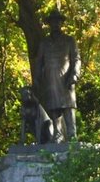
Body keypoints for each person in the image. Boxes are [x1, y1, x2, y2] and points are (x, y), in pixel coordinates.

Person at [33, 9, 81, 142]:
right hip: (50, 80)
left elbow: (76, 59)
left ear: (61, 23)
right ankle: (58, 135)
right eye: (53, 22)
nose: (55, 24)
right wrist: (36, 79)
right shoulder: (44, 43)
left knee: (68, 107)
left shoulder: (69, 40)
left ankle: (72, 135)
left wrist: (75, 75)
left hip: (66, 79)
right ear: (49, 24)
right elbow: (39, 62)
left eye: (57, 22)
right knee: (54, 108)